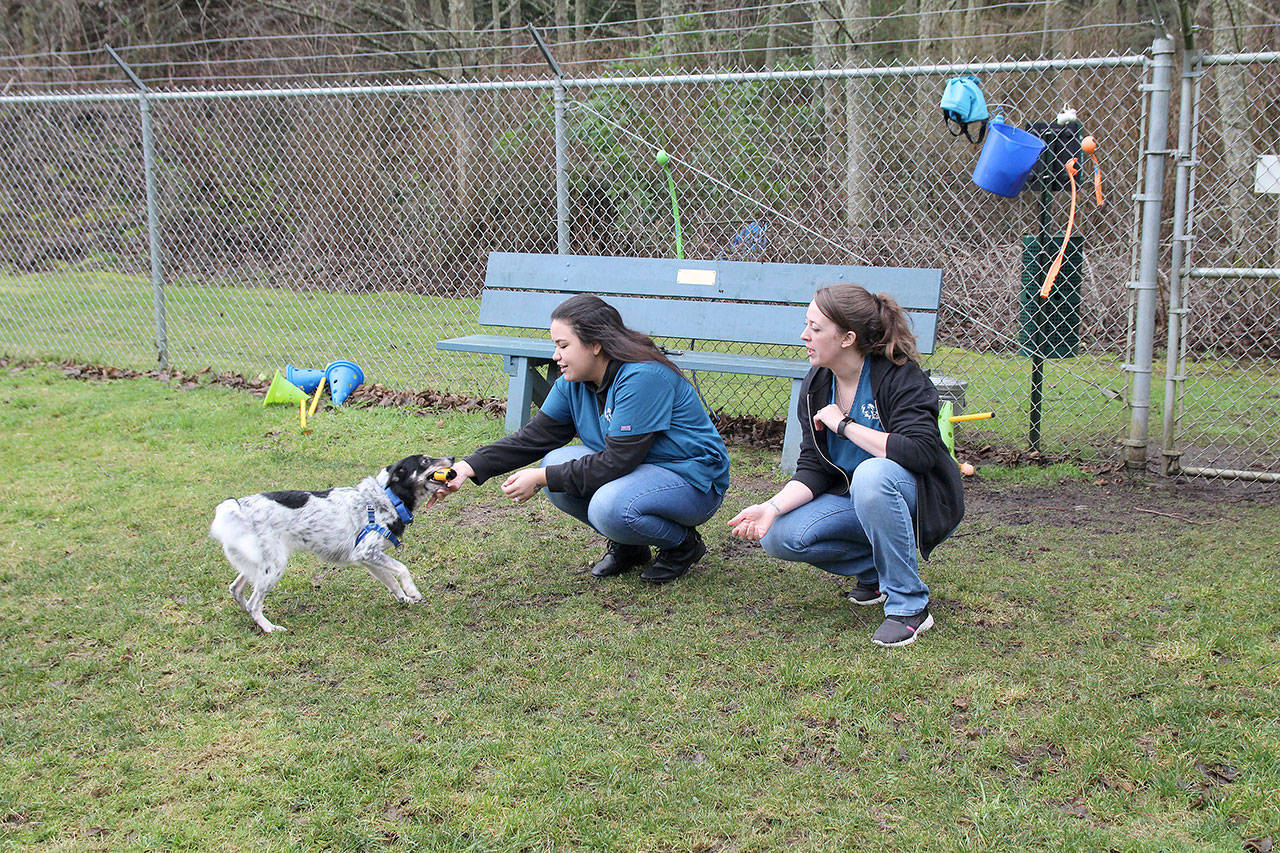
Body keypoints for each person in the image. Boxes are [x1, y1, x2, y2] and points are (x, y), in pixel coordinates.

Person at [728, 283, 964, 646]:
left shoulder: (899, 376)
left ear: (848, 338)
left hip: (917, 499)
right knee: (779, 535)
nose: (804, 335)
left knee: (872, 474)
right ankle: (876, 570)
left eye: (816, 328)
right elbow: (814, 466)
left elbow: (921, 451)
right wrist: (770, 507)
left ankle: (908, 604)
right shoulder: (817, 384)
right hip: (856, 501)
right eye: (807, 325)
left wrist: (844, 425)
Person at [443, 294, 730, 583]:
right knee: (555, 462)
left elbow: (617, 461)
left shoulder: (643, 376)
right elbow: (533, 437)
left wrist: (542, 476)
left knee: (609, 506)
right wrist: (467, 468)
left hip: (692, 482)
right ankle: (630, 547)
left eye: (563, 345)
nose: (556, 356)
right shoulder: (573, 382)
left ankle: (682, 545)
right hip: (639, 473)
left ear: (595, 344)